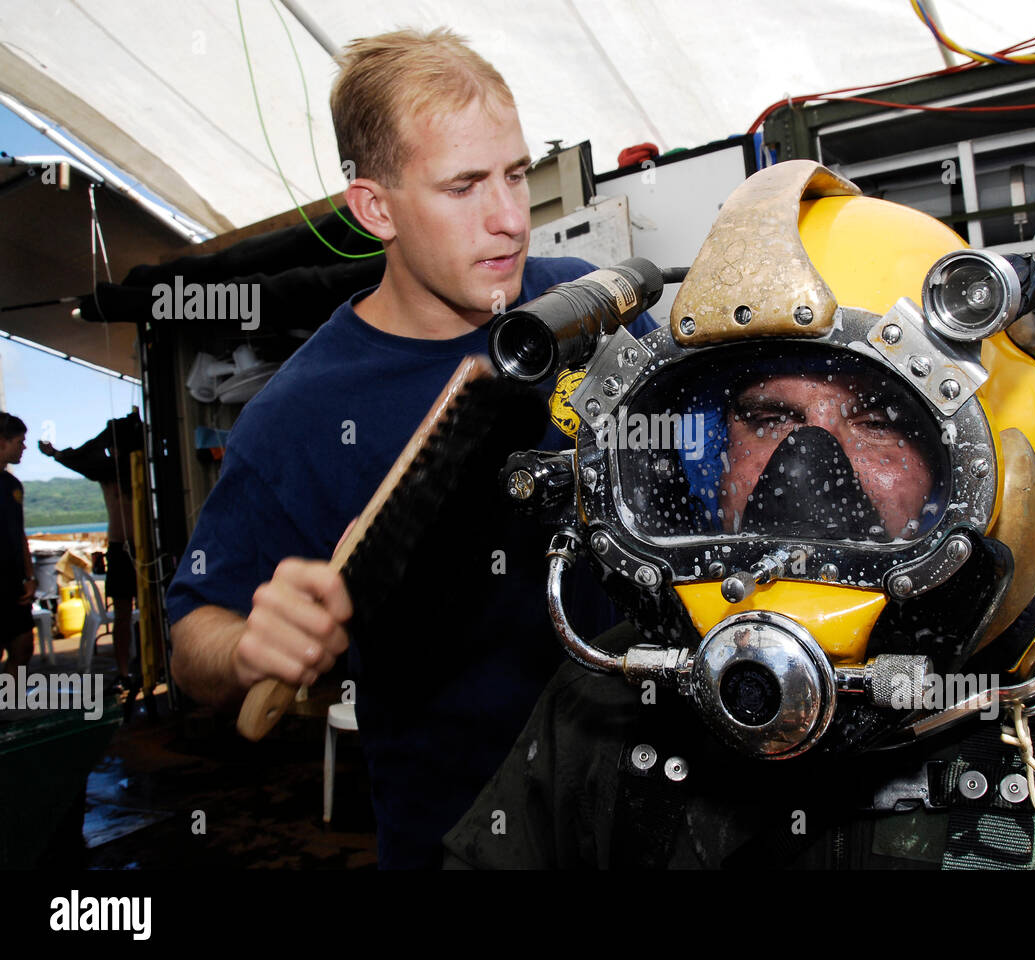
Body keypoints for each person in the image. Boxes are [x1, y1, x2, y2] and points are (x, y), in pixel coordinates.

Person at [443, 161, 1035, 869]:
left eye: (879, 419)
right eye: (768, 418)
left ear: (989, 456)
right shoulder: (603, 705)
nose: (802, 473)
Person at [164, 28, 652, 867]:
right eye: (464, 186)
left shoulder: (582, 306)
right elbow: (188, 638)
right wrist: (247, 646)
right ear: (376, 209)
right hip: (464, 838)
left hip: (652, 800)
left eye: (514, 174)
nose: (508, 218)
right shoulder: (301, 415)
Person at [39, 411, 143, 691]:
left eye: (115, 445)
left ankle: (148, 666)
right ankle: (124, 673)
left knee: (150, 610)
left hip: (146, 548)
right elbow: (81, 459)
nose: (112, 450)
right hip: (120, 549)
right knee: (122, 616)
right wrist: (55, 454)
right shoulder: (107, 472)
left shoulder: (143, 467)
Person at [0, 413, 35, 681]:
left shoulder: (13, 485)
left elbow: (19, 534)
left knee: (23, 647)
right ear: (2, 442)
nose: (24, 447)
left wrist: (30, 577)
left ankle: (8, 704)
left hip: (13, 583)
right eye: (19, 442)